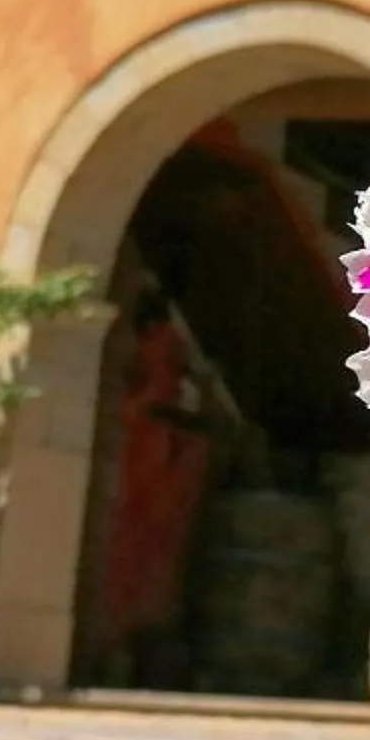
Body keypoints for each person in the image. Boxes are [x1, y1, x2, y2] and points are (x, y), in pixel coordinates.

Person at [97, 283, 212, 686]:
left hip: (156, 447)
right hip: (151, 447)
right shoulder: (165, 351)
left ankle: (132, 635)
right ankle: (128, 635)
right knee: (143, 549)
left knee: (145, 549)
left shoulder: (161, 350)